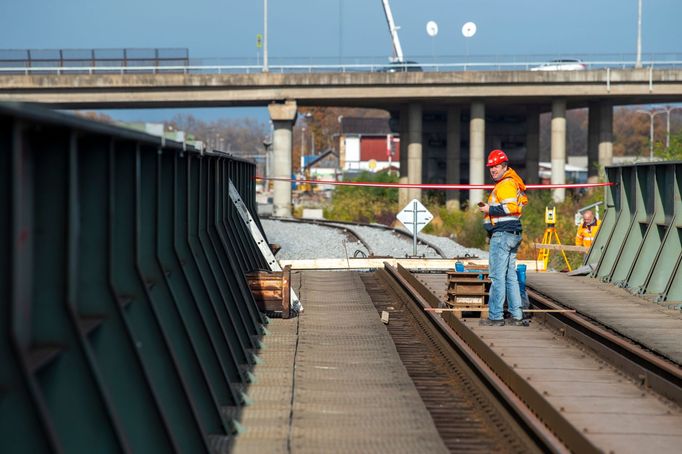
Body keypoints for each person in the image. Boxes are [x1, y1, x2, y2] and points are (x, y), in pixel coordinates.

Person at [478, 149, 529, 327]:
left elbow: (510, 208)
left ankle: (496, 316)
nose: (493, 170)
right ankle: (517, 315)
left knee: (497, 276)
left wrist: (488, 210)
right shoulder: (511, 182)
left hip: (502, 235)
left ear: (504, 166)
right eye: (491, 167)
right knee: (510, 276)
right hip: (513, 234)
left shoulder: (505, 184)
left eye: (496, 166)